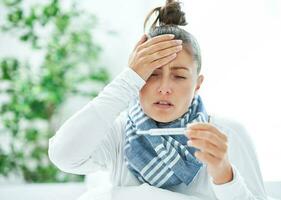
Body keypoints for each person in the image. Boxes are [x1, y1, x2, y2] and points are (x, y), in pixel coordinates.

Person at [48, 0, 269, 199]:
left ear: (197, 84)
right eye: (151, 74)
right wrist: (127, 80)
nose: (164, 88)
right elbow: (63, 156)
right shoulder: (119, 134)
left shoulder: (225, 134)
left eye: (180, 76)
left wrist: (225, 174)